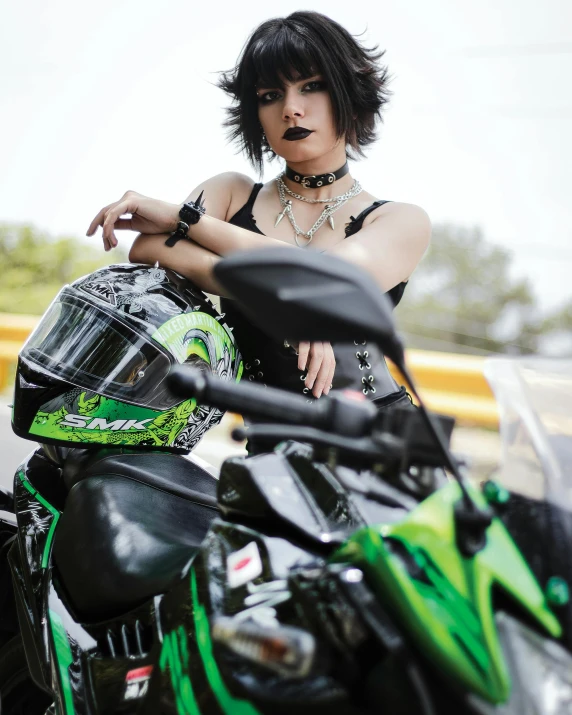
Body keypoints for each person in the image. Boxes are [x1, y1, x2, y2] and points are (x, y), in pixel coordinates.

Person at [87, 11, 430, 409]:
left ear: (350, 96)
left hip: (380, 443)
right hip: (269, 447)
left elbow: (322, 278)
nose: (291, 109)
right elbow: (147, 248)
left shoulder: (400, 220)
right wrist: (272, 298)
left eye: (312, 86)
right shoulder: (231, 193)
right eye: (270, 96)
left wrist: (187, 219)